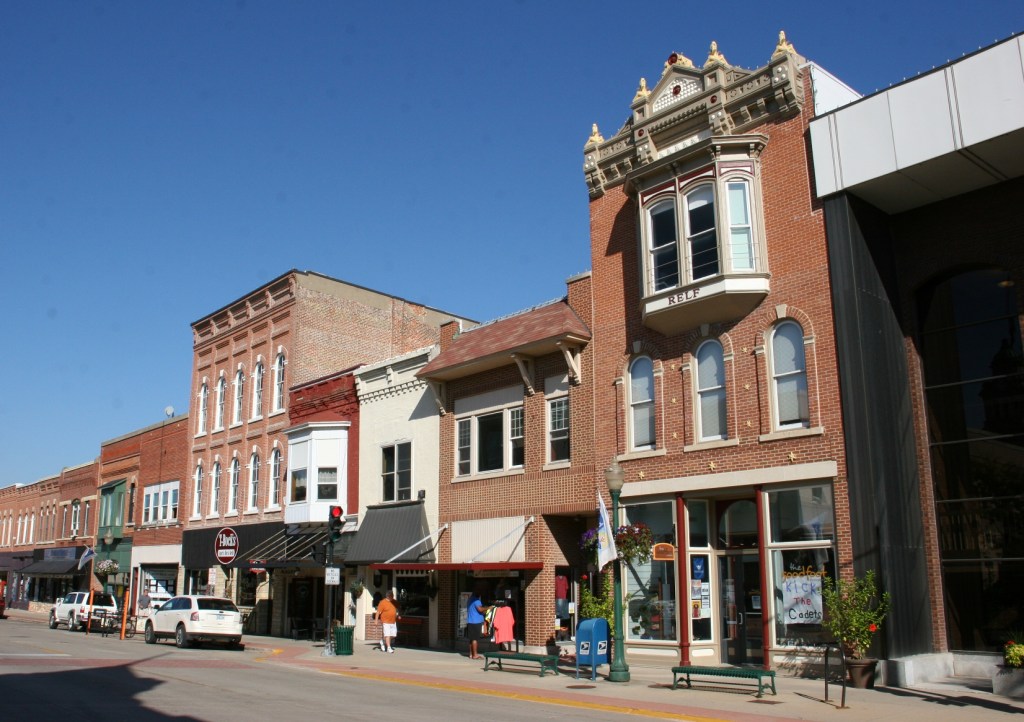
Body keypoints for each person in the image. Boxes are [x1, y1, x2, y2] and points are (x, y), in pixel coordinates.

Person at [466, 588, 490, 660]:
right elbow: (480, 609)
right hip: (476, 622)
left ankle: (471, 654)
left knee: (471, 639)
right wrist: (488, 608)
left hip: (470, 621)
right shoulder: (476, 600)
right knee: (475, 639)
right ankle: (475, 655)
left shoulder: (470, 599)